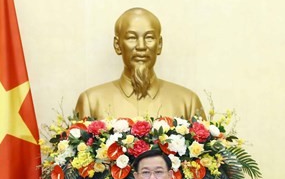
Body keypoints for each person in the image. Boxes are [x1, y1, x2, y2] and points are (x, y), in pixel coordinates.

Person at [75, 7, 205, 120]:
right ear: (117, 45)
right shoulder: (91, 101)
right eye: (131, 38)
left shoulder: (188, 102)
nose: (141, 46)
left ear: (159, 45)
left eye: (149, 38)